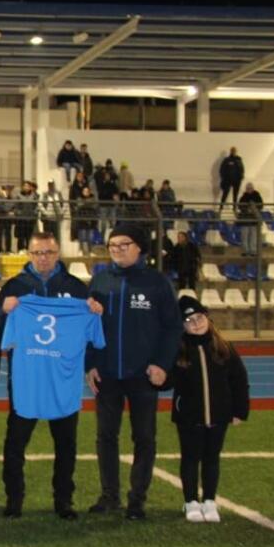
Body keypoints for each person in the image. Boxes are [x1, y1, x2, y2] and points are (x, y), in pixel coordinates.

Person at [0, 232, 100, 520]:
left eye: (49, 252)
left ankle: (64, 500)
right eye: (38, 252)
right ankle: (14, 499)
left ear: (58, 254)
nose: (43, 258)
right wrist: (3, 311)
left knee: (66, 444)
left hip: (63, 379)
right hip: (26, 379)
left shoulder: (75, 287)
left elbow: (89, 335)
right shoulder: (14, 286)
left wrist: (94, 312)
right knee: (15, 443)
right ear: (29, 254)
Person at [86, 223, 182, 520]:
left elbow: (172, 327)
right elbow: (88, 326)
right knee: (106, 436)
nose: (117, 250)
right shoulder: (100, 281)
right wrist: (90, 363)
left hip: (143, 375)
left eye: (124, 244)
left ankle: (137, 500)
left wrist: (162, 363)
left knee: (144, 438)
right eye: (113, 245)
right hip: (107, 374)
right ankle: (109, 496)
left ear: (139, 247)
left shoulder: (157, 283)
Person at [167, 296, 250, 523]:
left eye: (199, 318)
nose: (196, 323)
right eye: (189, 320)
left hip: (219, 415)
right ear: (182, 325)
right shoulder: (178, 350)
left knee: (212, 458)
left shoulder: (223, 347)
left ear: (207, 318)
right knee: (190, 458)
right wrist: (156, 377)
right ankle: (191, 501)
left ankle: (210, 500)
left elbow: (239, 380)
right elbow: (167, 381)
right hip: (188, 417)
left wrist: (239, 410)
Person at [237, 182, 263, 257]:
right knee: (244, 236)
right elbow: (240, 206)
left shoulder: (257, 196)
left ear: (253, 188)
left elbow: (261, 205)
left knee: (253, 236)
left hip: (254, 220)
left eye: (250, 188)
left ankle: (253, 251)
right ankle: (245, 251)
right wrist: (247, 209)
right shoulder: (243, 197)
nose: (249, 190)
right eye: (248, 188)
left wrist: (253, 209)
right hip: (245, 219)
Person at [218, 147, 245, 212]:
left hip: (237, 180)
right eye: (232, 151)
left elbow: (242, 169)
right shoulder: (227, 160)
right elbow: (222, 169)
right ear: (230, 151)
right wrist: (224, 178)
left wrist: (241, 177)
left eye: (235, 151)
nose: (234, 152)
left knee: (235, 195)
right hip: (228, 180)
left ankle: (234, 208)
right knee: (225, 193)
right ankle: (221, 207)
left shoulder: (239, 159)